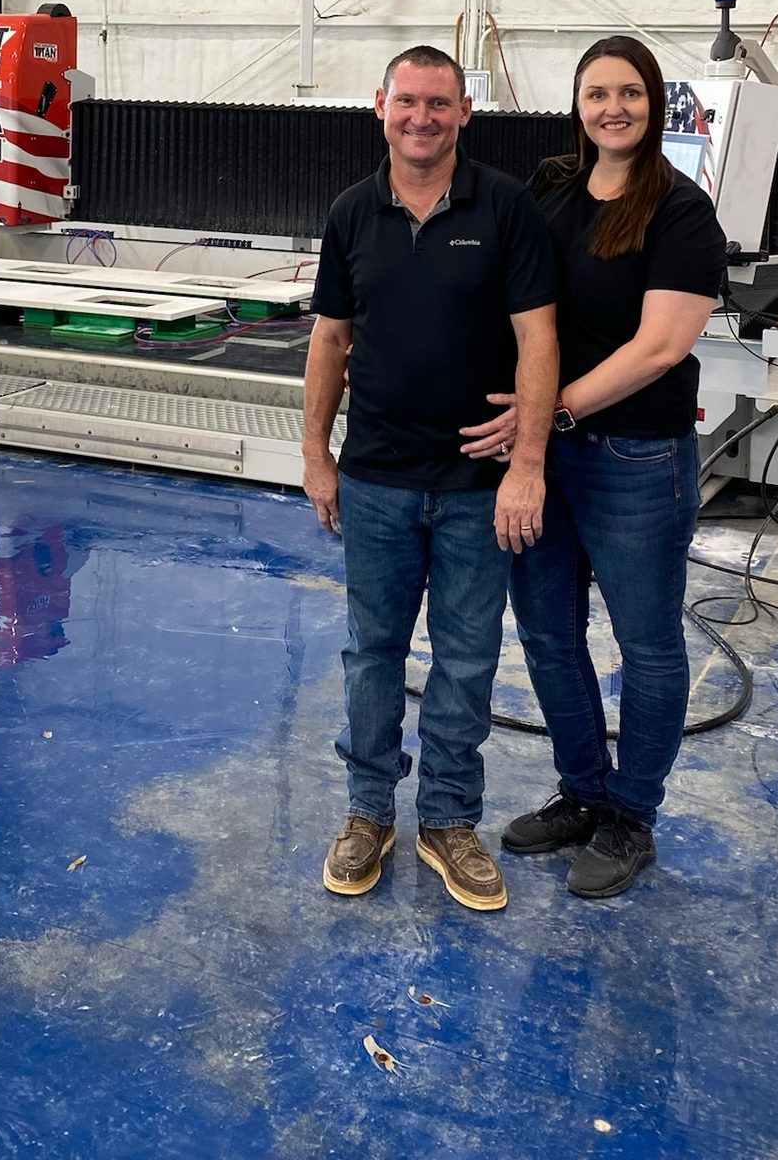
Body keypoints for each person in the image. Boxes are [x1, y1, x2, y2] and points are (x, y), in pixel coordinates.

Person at [462, 35, 726, 898]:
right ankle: (581, 792)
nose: (614, 108)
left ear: (655, 105)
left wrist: (554, 410)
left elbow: (660, 348)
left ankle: (631, 816)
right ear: (576, 106)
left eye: (631, 94)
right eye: (596, 94)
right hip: (542, 456)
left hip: (635, 457)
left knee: (648, 646)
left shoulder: (682, 212)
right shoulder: (551, 189)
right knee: (545, 631)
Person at [303, 45, 558, 913]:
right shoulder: (349, 212)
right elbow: (331, 341)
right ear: (381, 107)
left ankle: (448, 820)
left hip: (474, 488)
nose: (421, 117)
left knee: (467, 658)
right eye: (407, 102)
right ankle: (368, 811)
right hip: (374, 480)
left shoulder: (507, 208)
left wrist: (528, 463)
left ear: (464, 113)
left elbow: (538, 339)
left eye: (438, 103)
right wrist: (314, 454)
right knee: (370, 654)